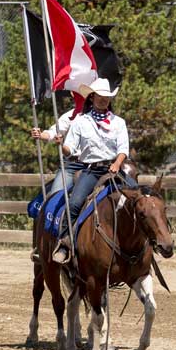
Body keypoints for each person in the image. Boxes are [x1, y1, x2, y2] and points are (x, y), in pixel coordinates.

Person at [51, 78, 136, 264]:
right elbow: (70, 149)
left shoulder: (118, 122)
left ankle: (146, 243)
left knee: (140, 198)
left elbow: (123, 149)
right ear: (92, 97)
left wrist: (117, 163)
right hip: (92, 171)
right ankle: (65, 243)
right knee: (74, 204)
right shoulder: (81, 122)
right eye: (99, 96)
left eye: (106, 97)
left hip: (115, 169)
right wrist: (61, 145)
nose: (103, 100)